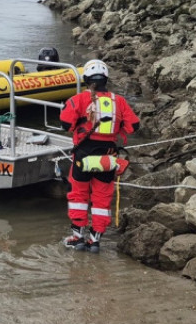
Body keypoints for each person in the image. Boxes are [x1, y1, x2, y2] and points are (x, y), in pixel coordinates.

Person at [58, 59, 139, 252]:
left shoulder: (78, 100)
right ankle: (95, 240)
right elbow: (134, 126)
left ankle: (77, 238)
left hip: (83, 157)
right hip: (108, 158)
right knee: (102, 199)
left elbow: (65, 124)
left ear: (86, 79)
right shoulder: (119, 101)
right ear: (106, 79)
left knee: (78, 196)